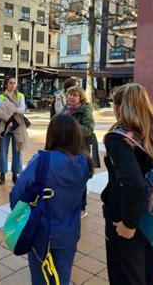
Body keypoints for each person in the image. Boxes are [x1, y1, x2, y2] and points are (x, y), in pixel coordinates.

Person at [102, 83, 153, 285]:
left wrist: (128, 224)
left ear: (119, 108)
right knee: (147, 276)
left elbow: (134, 184)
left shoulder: (118, 138)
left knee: (125, 278)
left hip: (126, 221)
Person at [9, 114, 92, 285]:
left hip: (41, 232)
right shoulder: (84, 163)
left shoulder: (42, 159)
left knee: (40, 278)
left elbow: (16, 194)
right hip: (69, 233)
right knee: (62, 279)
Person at [61, 86, 98, 218]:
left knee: (80, 179)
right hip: (66, 148)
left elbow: (89, 129)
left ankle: (82, 207)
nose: (71, 97)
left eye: (74, 95)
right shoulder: (65, 109)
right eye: (69, 94)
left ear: (80, 97)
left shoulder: (85, 110)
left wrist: (71, 124)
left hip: (80, 150)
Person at [0, 76, 29, 185]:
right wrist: (14, 111)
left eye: (14, 83)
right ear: (5, 84)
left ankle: (15, 174)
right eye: (10, 83)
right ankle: (2, 174)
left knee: (17, 151)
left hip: (18, 127)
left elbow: (23, 109)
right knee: (3, 151)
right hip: (4, 126)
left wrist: (9, 109)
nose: (12, 85)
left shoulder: (20, 95)